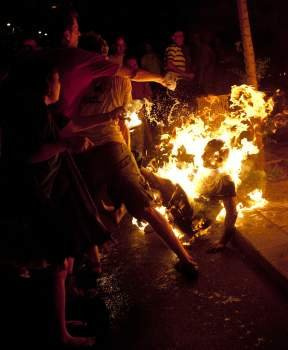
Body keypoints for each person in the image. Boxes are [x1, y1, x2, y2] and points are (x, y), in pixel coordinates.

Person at [0, 56, 97, 347]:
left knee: (61, 263)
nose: (61, 83)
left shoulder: (45, 111)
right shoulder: (32, 113)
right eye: (56, 78)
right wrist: (66, 144)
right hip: (29, 196)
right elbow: (30, 154)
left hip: (42, 195)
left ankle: (60, 321)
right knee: (58, 264)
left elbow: (68, 130)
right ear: (43, 83)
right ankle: (60, 335)